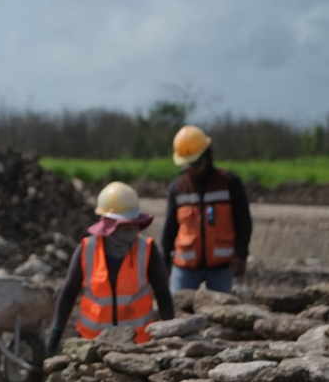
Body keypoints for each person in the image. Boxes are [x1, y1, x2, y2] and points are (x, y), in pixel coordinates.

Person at [46, 182, 174, 355]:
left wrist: (171, 335)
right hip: (92, 346)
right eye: (125, 226)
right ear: (109, 225)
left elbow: (162, 294)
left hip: (137, 345)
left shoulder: (147, 250)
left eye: (133, 224)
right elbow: (68, 293)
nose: (131, 230)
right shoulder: (87, 250)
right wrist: (55, 334)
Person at [162, 125, 252, 293]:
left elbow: (244, 221)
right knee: (177, 311)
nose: (192, 170)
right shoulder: (178, 188)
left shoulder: (229, 183)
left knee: (221, 313)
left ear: (207, 156)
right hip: (185, 268)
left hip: (221, 267)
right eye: (187, 165)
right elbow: (170, 228)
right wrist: (165, 264)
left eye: (195, 164)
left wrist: (241, 254)